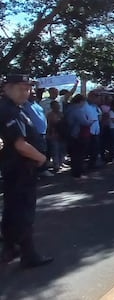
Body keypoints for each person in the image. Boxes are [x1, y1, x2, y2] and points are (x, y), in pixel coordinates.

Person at [0, 74, 54, 268]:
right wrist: (41, 158)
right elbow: (20, 145)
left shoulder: (16, 108)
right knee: (23, 212)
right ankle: (28, 254)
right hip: (19, 168)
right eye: (21, 88)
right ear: (7, 88)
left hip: (17, 168)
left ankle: (10, 247)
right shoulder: (7, 110)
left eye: (28, 88)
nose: (26, 91)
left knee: (13, 210)